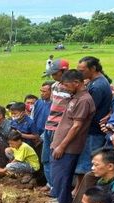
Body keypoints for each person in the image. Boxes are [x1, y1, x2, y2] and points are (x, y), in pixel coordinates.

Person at [48, 70, 96, 203]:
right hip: (60, 142)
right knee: (57, 173)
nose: (64, 88)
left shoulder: (84, 100)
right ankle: (60, 199)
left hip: (68, 146)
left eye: (67, 85)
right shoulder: (75, 96)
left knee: (63, 175)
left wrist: (62, 146)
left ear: (76, 83)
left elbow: (76, 126)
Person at [75, 56, 113, 196]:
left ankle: (83, 196)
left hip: (93, 132)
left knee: (88, 165)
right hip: (92, 130)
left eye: (82, 70)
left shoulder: (97, 86)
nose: (80, 73)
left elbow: (88, 110)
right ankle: (78, 193)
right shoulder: (95, 82)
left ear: (93, 69)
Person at [42, 59, 72, 192]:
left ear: (64, 71)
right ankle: (51, 184)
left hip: (59, 128)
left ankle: (57, 189)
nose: (53, 76)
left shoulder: (72, 88)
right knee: (46, 158)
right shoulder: (54, 86)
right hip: (49, 126)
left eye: (55, 73)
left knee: (56, 160)